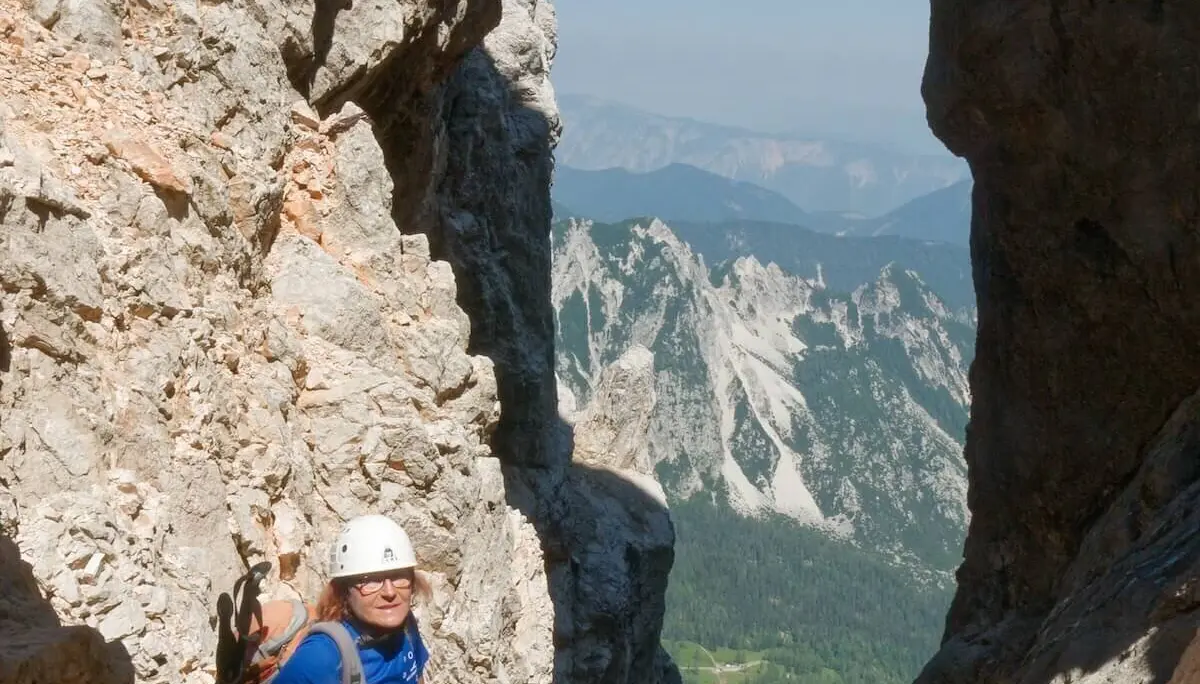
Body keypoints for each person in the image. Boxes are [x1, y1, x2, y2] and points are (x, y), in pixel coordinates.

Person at [271, 514, 432, 684]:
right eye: (370, 580)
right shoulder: (321, 655)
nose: (390, 592)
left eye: (399, 576)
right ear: (344, 590)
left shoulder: (406, 625)